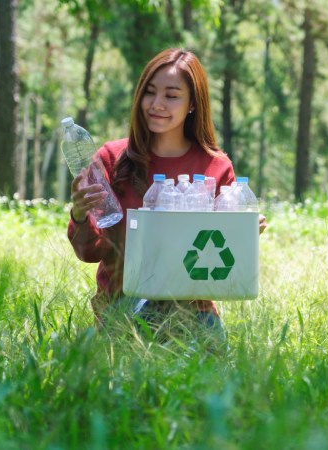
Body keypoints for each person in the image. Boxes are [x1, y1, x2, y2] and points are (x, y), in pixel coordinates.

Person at [67, 48, 267, 337]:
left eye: (171, 96)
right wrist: (81, 215)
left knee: (213, 370)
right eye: (150, 92)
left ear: (192, 105)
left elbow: (223, 269)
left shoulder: (215, 166)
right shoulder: (112, 158)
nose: (156, 104)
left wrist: (241, 234)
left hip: (194, 309)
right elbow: (88, 253)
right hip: (124, 304)